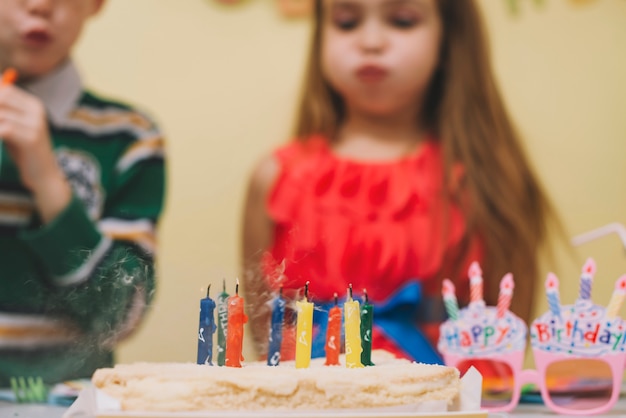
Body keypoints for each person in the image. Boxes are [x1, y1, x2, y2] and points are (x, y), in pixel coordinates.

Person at [242, 0, 556, 363]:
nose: (371, 41)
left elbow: (505, 340)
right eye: (346, 23)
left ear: (450, 37)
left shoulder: (490, 181)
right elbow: (264, 339)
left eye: (403, 21)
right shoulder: (274, 180)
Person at [0, 0, 166, 385]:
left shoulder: (129, 137)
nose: (40, 5)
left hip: (66, 402)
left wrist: (48, 181)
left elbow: (120, 316)